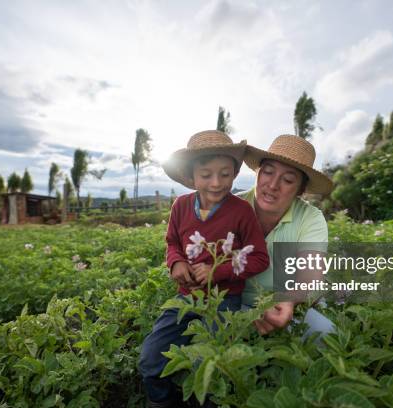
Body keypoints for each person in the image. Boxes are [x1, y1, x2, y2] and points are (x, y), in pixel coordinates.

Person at [138, 130, 270, 408]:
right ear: (191, 177)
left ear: (234, 174)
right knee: (150, 358)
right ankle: (162, 401)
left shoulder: (241, 211)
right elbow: (172, 242)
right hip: (187, 297)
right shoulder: (181, 206)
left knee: (207, 366)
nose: (216, 182)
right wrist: (176, 262)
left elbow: (259, 257)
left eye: (225, 174)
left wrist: (218, 271)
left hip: (225, 299)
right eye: (206, 174)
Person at [238, 134, 335, 336]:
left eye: (288, 179)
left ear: (300, 190)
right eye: (267, 172)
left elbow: (310, 276)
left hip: (286, 305)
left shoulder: (310, 218)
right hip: (233, 303)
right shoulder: (231, 207)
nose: (273, 185)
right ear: (257, 173)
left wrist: (289, 300)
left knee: (327, 334)